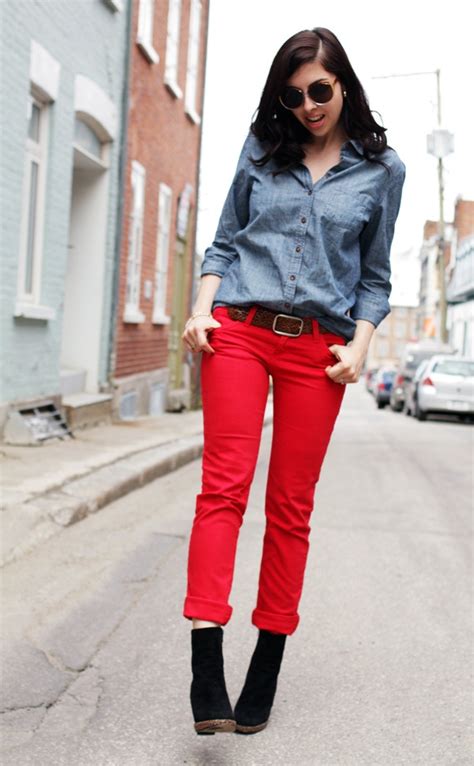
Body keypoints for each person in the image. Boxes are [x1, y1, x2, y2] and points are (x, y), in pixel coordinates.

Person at [181, 26, 406, 736]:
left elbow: (374, 276)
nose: (308, 105)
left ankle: (267, 662)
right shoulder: (261, 151)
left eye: (319, 90)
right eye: (294, 93)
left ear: (344, 85)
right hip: (240, 329)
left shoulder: (383, 169)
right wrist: (200, 310)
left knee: (290, 507)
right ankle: (206, 665)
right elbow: (223, 241)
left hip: (320, 349)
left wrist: (361, 345)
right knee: (223, 488)